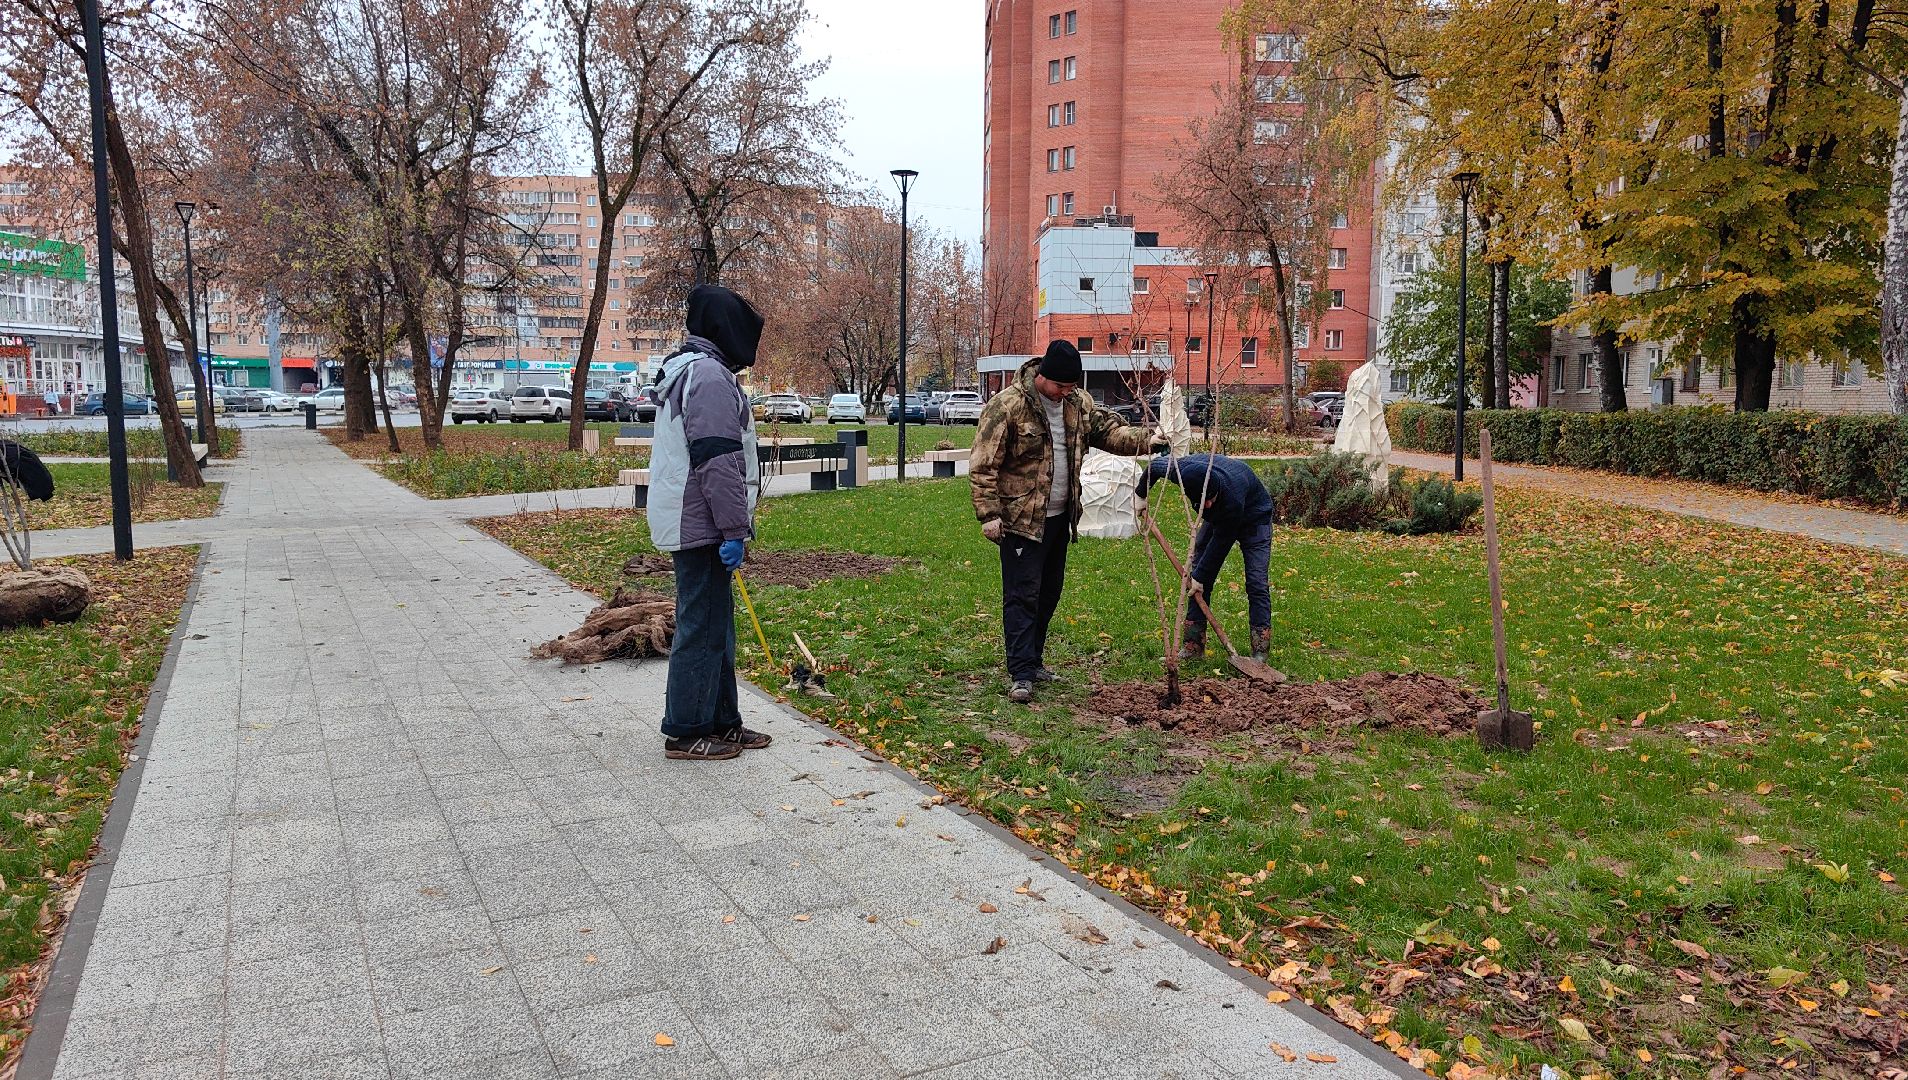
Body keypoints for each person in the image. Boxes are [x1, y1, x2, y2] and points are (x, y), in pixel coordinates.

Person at [971, 341, 1158, 703]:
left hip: (1060, 518)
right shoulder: (1007, 406)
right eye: (1060, 386)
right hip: (1021, 520)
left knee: (1047, 593)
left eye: (1072, 387)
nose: (1065, 393)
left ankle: (1035, 660)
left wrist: (1147, 440)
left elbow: (1109, 433)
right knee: (1022, 595)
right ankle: (1021, 673)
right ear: (1041, 376)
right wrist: (989, 515)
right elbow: (983, 465)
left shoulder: (1077, 403)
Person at [647, 284, 770, 761]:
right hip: (702, 524)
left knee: (717, 625)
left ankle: (722, 721)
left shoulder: (696, 370)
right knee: (700, 626)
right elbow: (718, 461)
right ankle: (685, 730)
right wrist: (734, 530)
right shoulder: (709, 378)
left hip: (699, 521)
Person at [1137, 453, 1275, 662]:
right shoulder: (1179, 470)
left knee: (1256, 582)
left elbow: (1221, 542)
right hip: (1221, 516)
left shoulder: (1232, 498)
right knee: (1196, 577)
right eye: (1203, 502)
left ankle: (1260, 652)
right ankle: (1193, 647)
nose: (1207, 505)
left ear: (1216, 491)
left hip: (1255, 518)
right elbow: (1154, 467)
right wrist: (1140, 495)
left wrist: (1200, 576)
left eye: (1211, 499)